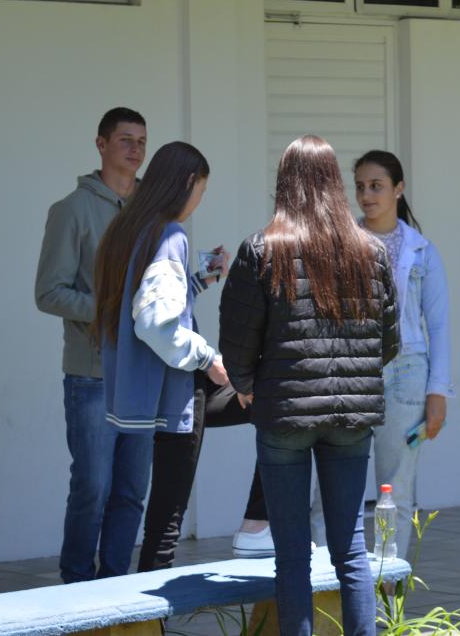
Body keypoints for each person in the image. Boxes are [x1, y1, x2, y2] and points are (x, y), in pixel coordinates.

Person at [220, 135, 399, 636]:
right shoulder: (371, 251)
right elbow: (389, 341)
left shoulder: (262, 249)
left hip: (285, 414)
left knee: (293, 555)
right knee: (351, 549)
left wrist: (245, 383)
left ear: (285, 183)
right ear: (335, 184)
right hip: (352, 420)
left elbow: (237, 334)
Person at [90, 141, 270, 573]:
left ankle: (258, 524)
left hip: (149, 391)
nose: (198, 202)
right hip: (177, 392)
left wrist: (199, 280)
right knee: (166, 526)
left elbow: (141, 306)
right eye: (201, 191)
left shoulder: (128, 229)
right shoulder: (170, 235)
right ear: (188, 183)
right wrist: (208, 357)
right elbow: (154, 324)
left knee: (268, 403)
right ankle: (257, 525)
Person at [311, 150, 451, 560]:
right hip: (349, 373)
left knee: (396, 492)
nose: (366, 195)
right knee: (332, 490)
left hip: (407, 374)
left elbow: (438, 326)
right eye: (360, 187)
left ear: (398, 189)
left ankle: (387, 590)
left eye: (377, 186)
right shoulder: (340, 243)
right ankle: (332, 587)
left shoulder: (422, 251)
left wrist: (438, 393)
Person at [35, 107, 153, 583]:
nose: (135, 149)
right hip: (92, 375)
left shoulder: (154, 210)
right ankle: (78, 589)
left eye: (142, 141)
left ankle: (115, 588)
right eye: (125, 139)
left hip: (143, 373)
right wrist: (111, 309)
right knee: (93, 487)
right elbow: (49, 293)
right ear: (101, 144)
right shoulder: (71, 210)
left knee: (131, 492)